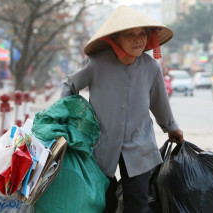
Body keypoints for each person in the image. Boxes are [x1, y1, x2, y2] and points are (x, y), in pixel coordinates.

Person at [60, 5, 184, 213]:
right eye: (130, 35)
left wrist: (171, 128)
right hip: (101, 144)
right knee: (103, 201)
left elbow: (159, 102)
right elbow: (69, 85)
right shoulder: (96, 63)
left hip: (139, 143)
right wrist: (69, 120)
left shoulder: (150, 67)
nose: (138, 39)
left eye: (141, 34)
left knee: (138, 203)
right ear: (115, 39)